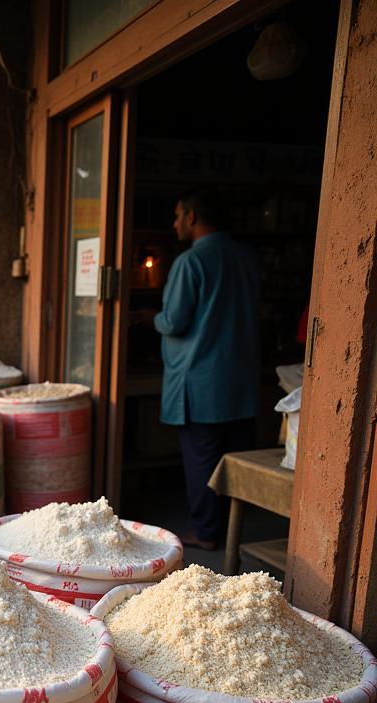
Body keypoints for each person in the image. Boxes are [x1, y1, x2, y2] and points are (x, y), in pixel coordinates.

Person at [134, 187, 260, 550]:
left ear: (191, 217)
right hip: (239, 380)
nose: (174, 223)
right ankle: (234, 530)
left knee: (202, 463)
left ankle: (206, 532)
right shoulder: (248, 257)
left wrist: (150, 318)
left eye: (177, 216)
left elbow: (174, 321)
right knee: (235, 462)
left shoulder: (191, 262)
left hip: (202, 381)